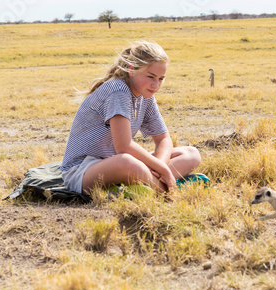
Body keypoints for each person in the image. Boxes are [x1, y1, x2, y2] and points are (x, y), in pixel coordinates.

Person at [61, 41, 201, 195]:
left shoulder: (145, 94)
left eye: (161, 78)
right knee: (127, 162)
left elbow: (163, 139)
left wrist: (161, 167)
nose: (156, 85)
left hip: (116, 162)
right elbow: (124, 146)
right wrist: (164, 171)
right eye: (151, 76)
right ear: (131, 69)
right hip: (83, 171)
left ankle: (145, 186)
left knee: (191, 154)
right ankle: (169, 190)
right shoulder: (118, 91)